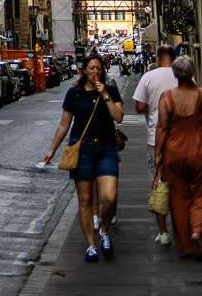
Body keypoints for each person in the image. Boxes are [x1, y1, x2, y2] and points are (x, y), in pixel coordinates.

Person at [43, 52, 125, 261]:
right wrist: (52, 150)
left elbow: (119, 117)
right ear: (84, 71)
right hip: (83, 149)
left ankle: (104, 232)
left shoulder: (111, 90)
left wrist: (105, 94)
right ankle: (91, 245)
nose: (95, 71)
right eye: (91, 68)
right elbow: (64, 124)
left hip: (106, 148)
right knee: (85, 200)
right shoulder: (74, 93)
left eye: (98, 68)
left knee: (110, 197)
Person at [156, 54, 202, 260]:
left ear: (175, 74)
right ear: (192, 72)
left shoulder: (166, 97)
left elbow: (162, 127)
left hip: (174, 151)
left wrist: (157, 154)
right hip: (200, 149)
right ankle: (198, 231)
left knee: (178, 198)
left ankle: (185, 245)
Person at [134, 45, 179, 244]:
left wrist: (153, 104)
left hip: (155, 139)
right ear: (174, 58)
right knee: (180, 185)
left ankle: (163, 233)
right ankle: (181, 229)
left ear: (158, 59)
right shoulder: (183, 77)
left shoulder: (149, 77)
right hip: (179, 139)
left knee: (158, 184)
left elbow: (138, 106)